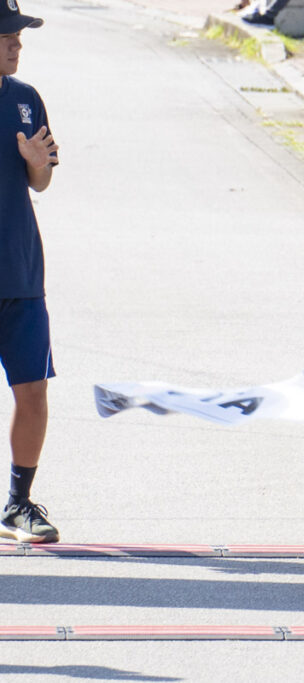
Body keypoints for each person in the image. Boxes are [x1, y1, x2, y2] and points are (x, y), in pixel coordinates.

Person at [0, 2, 61, 544]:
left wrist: (36, 163)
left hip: (20, 275)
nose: (16, 44)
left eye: (19, 35)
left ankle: (18, 504)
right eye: (7, 35)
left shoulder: (24, 99)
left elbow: (40, 181)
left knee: (33, 392)